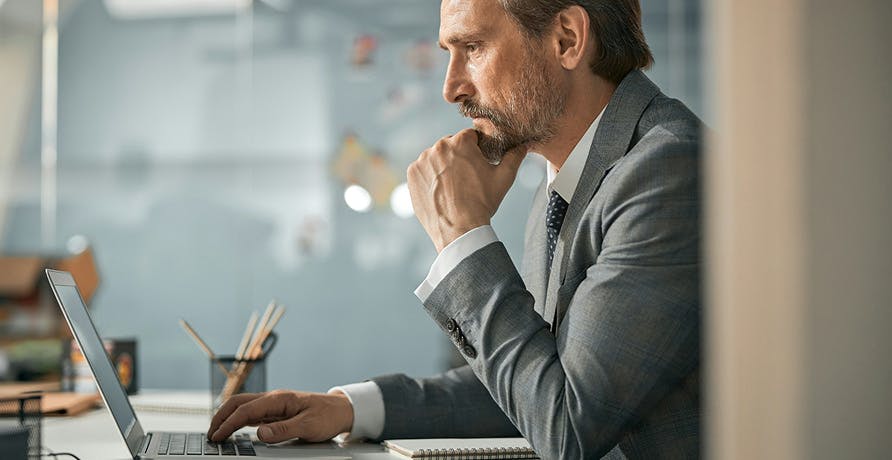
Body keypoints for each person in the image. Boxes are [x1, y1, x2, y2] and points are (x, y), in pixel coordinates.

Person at [208, 0, 701, 458]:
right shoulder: (565, 182)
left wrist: (462, 235)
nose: (451, 88)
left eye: (473, 48)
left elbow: (568, 424)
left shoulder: (665, 171)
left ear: (567, 39)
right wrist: (351, 409)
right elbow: (533, 386)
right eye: (449, 53)